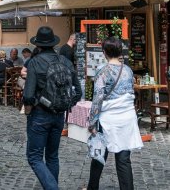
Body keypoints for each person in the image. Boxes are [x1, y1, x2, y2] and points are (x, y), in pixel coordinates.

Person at [23, 26, 82, 190]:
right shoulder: (65, 61)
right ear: (54, 44)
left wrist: (31, 107)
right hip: (59, 115)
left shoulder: (35, 62)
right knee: (52, 156)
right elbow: (79, 92)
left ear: (38, 45)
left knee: (34, 157)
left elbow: (28, 95)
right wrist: (66, 104)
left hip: (40, 114)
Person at [87, 37, 143, 190]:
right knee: (124, 159)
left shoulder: (103, 72)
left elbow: (97, 99)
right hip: (127, 117)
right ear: (120, 52)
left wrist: (91, 122)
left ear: (104, 52)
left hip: (108, 119)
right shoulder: (128, 70)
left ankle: (92, 187)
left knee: (99, 155)